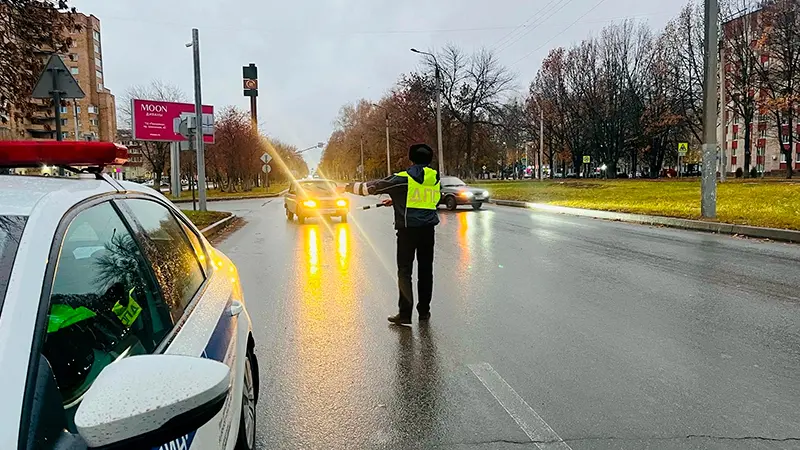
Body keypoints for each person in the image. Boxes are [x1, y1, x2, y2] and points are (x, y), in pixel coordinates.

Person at [346, 143, 441, 326]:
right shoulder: (435, 178)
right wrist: (398, 200)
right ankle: (424, 312)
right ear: (429, 159)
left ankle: (405, 314)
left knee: (404, 272)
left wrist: (346, 187)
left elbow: (372, 187)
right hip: (428, 230)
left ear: (410, 158)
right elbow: (431, 200)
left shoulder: (403, 178)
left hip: (407, 230)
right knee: (426, 271)